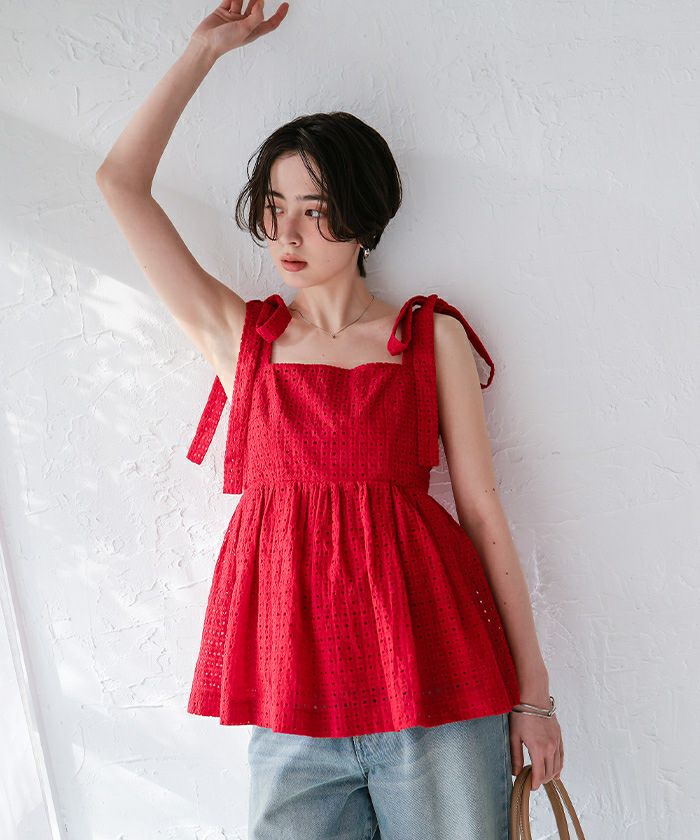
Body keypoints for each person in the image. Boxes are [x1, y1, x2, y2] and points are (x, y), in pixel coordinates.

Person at [96, 2, 564, 837]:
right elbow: (119, 184)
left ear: (364, 215)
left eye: (315, 208)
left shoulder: (429, 337)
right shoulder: (243, 340)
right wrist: (204, 52)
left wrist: (534, 695)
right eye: (275, 205)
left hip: (437, 685)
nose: (288, 232)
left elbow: (483, 513)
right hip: (294, 703)